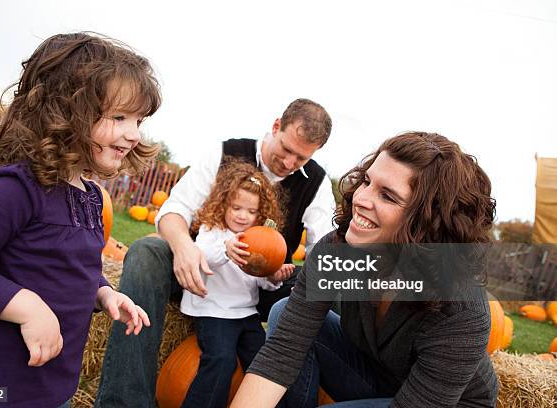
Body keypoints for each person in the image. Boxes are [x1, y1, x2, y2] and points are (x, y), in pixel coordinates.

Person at [0, 32, 161, 407]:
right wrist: (27, 305)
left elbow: (75, 266)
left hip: (52, 385)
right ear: (64, 112)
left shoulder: (91, 198)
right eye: (120, 117)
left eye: (139, 120)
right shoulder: (15, 188)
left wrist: (104, 292)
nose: (133, 133)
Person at [95, 98, 335, 407]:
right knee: (146, 252)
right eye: (286, 150)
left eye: (301, 158)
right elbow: (172, 212)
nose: (289, 163)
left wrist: (285, 273)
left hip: (265, 283)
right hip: (204, 272)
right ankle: (124, 402)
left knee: (327, 284)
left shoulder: (316, 183)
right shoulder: (225, 153)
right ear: (276, 127)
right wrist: (183, 248)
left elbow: (322, 249)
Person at [231, 132, 499, 407]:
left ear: (428, 221)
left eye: (388, 196)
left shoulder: (462, 310)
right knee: (282, 310)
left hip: (443, 403)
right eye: (367, 182)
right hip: (376, 375)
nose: (361, 199)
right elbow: (282, 352)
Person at [180, 160, 294, 407]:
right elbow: (201, 256)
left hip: (246, 313)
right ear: (223, 204)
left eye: (251, 212)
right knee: (221, 359)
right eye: (236, 207)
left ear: (261, 213)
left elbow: (260, 280)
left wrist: (272, 277)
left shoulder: (258, 237)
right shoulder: (213, 231)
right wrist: (226, 249)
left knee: (264, 362)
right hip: (214, 312)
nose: (243, 216)